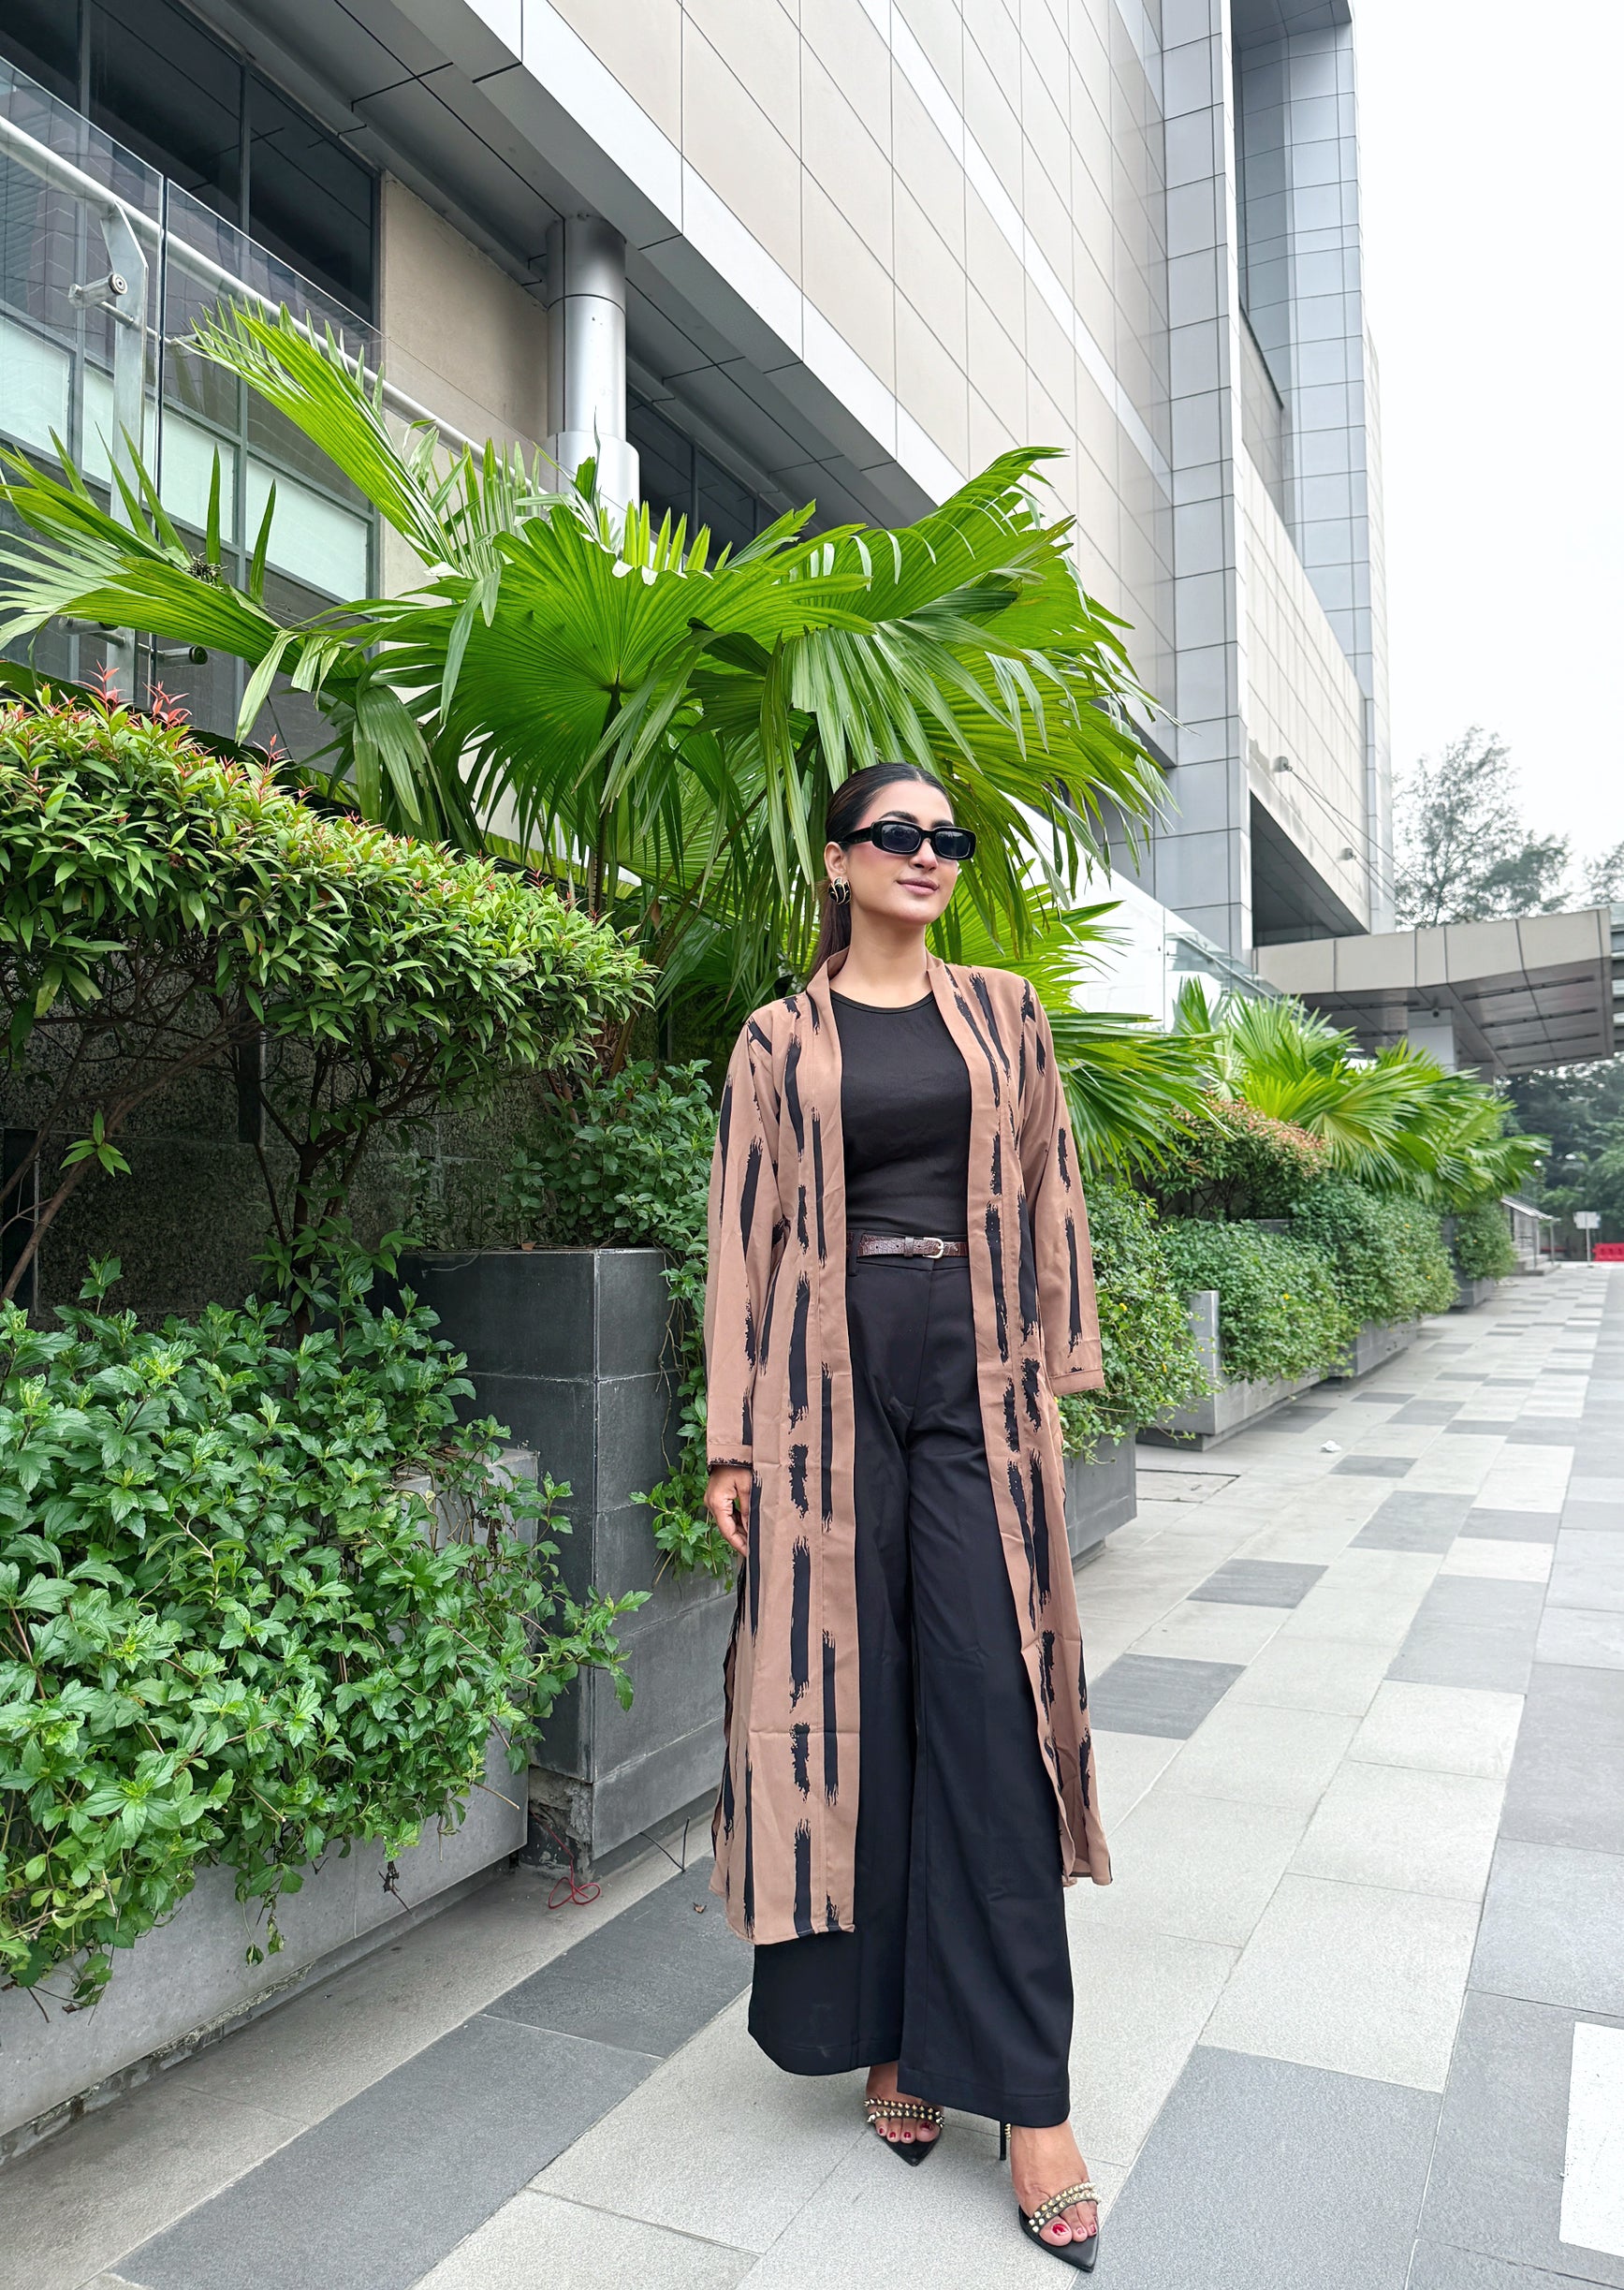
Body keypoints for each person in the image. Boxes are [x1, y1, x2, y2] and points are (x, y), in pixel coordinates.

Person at [701, 762, 1112, 2269]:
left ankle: (1033, 2099)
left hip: (977, 1376)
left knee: (991, 1704)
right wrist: (731, 1440)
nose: (927, 853)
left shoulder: (1006, 1012)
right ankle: (889, 2034)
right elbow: (742, 1233)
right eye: (897, 834)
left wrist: (1057, 1365)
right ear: (839, 858)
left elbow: (1051, 1186)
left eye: (946, 837)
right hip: (823, 1386)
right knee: (848, 1705)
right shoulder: (779, 1037)